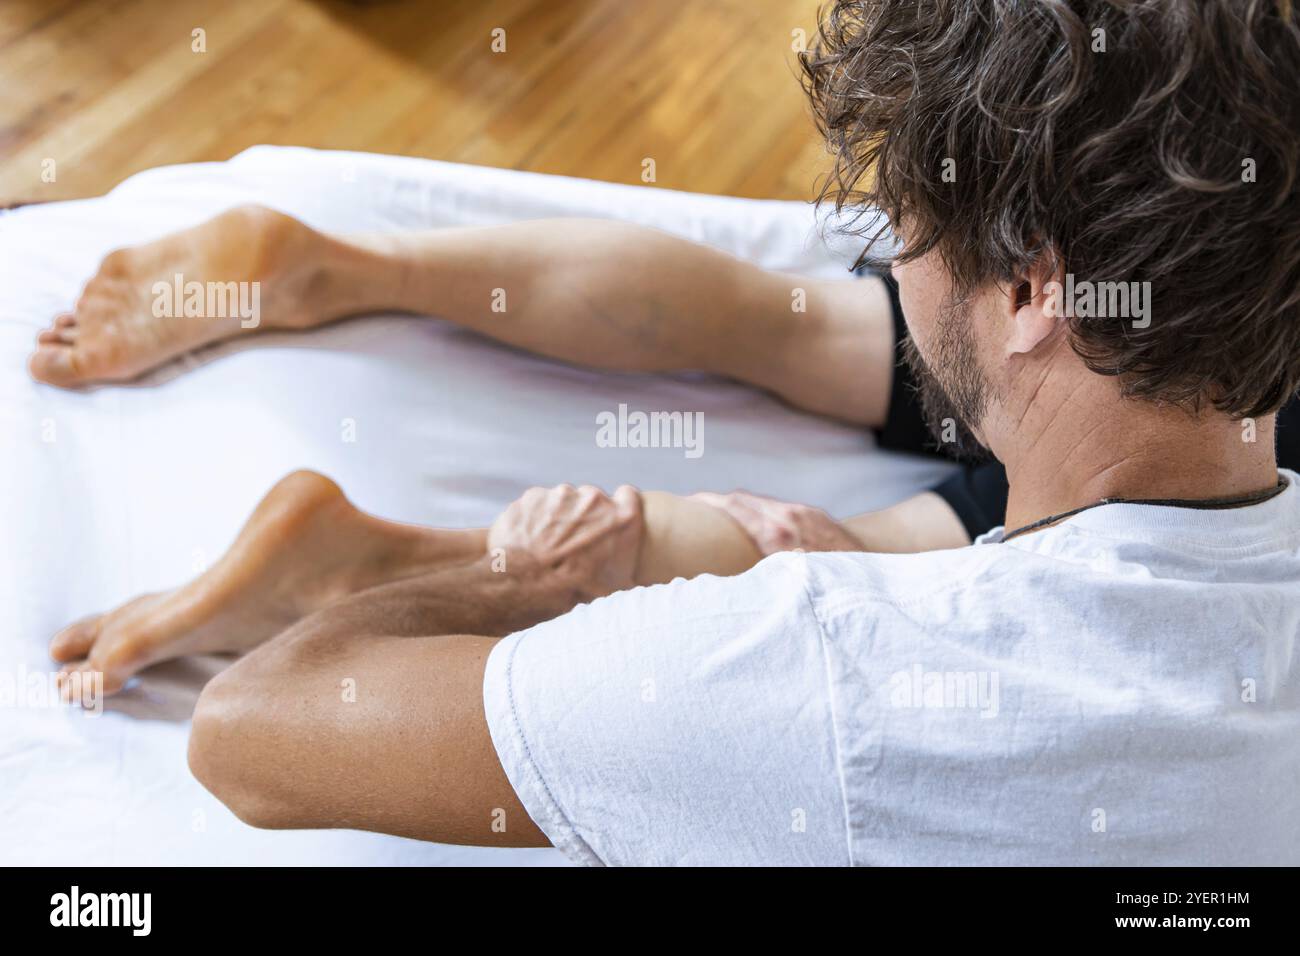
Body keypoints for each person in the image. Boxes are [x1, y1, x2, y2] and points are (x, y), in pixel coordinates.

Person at [42, 0, 1300, 864]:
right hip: (1164, 396)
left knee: (790, 330)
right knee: (857, 517)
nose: (896, 249)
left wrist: (513, 582)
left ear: (1030, 289)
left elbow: (250, 729)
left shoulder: (837, 673)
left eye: (906, 225)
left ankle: (358, 273)